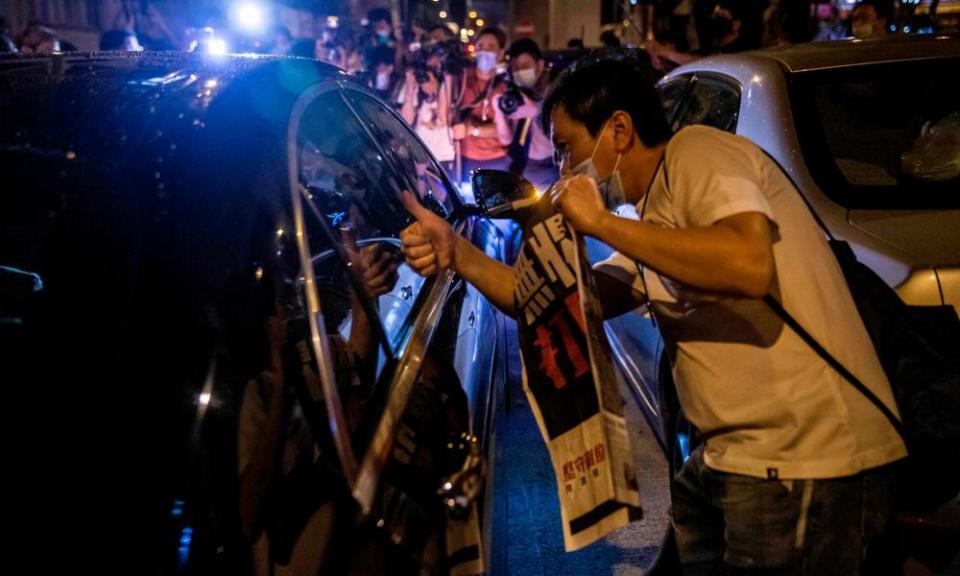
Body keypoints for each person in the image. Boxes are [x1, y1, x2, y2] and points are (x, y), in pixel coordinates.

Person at [400, 51, 906, 575]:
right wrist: (459, 254)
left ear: (619, 129)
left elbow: (747, 265)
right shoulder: (654, 214)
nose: (565, 170)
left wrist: (600, 224)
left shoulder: (699, 152)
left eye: (569, 148)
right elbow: (547, 305)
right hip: (730, 462)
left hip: (807, 465)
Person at [493, 38, 558, 191]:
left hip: (549, 165)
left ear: (539, 65)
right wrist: (499, 113)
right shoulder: (515, 94)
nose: (520, 71)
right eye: (515, 67)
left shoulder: (554, 90)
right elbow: (505, 139)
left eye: (525, 65)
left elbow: (566, 132)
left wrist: (536, 112)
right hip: (523, 165)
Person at [452, 26, 511, 179]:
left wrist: (472, 129)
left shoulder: (506, 87)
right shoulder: (462, 79)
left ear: (501, 53)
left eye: (491, 47)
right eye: (481, 46)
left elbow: (505, 131)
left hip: (497, 160)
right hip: (464, 159)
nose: (485, 51)